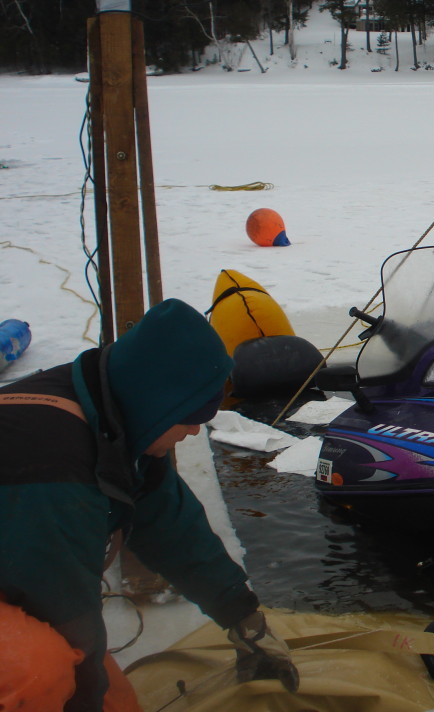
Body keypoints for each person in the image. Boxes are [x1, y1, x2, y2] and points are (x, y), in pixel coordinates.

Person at [0, 298, 298, 711]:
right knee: (39, 674)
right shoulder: (54, 467)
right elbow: (62, 609)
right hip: (28, 604)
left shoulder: (118, 415)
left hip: (24, 578)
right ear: (160, 403)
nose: (195, 431)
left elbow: (172, 528)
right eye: (190, 418)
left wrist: (243, 618)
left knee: (116, 701)